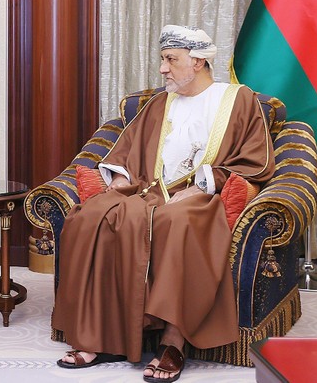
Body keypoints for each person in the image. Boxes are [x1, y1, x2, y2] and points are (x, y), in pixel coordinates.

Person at [53, 26, 275, 382]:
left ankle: (173, 340)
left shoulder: (238, 99)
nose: (162, 69)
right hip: (148, 191)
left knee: (177, 221)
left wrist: (201, 186)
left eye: (170, 59)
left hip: (203, 198)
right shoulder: (160, 102)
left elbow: (254, 160)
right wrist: (120, 178)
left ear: (198, 61)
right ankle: (101, 337)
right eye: (162, 59)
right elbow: (128, 149)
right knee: (90, 215)